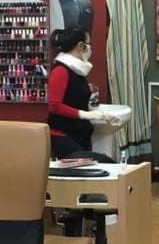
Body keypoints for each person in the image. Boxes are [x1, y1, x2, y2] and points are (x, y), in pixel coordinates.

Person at [46, 27, 117, 158]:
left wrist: (97, 113)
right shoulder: (60, 70)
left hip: (80, 133)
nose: (90, 48)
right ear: (80, 45)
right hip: (63, 135)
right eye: (88, 44)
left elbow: (75, 98)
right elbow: (54, 105)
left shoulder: (77, 71)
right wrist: (84, 114)